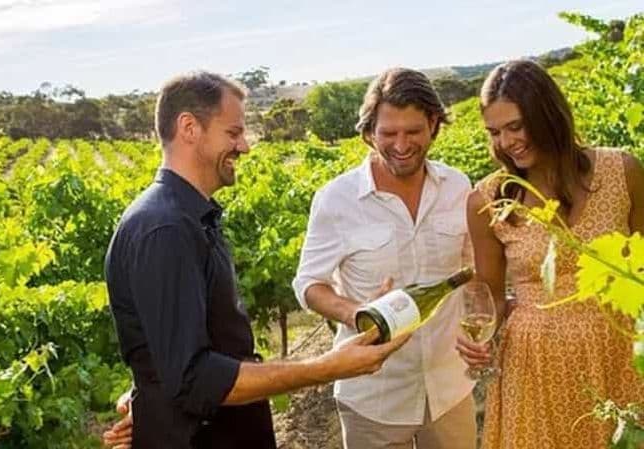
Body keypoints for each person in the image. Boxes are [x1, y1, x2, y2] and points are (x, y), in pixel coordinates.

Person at [103, 71, 410, 449]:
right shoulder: (166, 229)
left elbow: (172, 356)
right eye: (233, 133)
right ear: (189, 128)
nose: (245, 146)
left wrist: (149, 396)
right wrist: (326, 367)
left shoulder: (187, 218)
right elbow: (193, 377)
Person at [456, 59, 644, 448]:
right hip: (535, 364)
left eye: (515, 126)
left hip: (619, 352)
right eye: (494, 132)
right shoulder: (489, 199)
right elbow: (488, 294)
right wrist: (481, 339)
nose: (506, 143)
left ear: (548, 114)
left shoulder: (622, 171)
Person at [291, 67, 477, 449]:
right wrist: (357, 313)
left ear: (434, 126)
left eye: (414, 131)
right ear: (369, 133)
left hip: (449, 387)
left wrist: (480, 320)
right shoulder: (337, 199)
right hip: (372, 396)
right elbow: (308, 284)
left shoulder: (458, 186)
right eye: (388, 133)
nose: (402, 144)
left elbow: (471, 270)